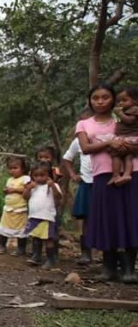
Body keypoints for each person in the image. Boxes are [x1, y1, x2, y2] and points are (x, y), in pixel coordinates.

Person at [76, 83, 138, 283]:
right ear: (90, 101)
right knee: (106, 220)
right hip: (103, 175)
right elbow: (85, 148)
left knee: (130, 219)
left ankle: (129, 268)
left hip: (131, 173)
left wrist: (126, 145)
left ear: (114, 100)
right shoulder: (84, 124)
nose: (100, 101)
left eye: (105, 97)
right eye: (96, 98)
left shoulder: (122, 119)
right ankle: (108, 266)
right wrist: (110, 143)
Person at [22, 161, 63, 269]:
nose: (39, 178)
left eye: (42, 175)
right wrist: (29, 188)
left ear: (48, 175)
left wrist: (52, 186)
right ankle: (37, 256)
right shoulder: (32, 186)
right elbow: (25, 197)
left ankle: (51, 259)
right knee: (36, 237)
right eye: (36, 176)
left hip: (46, 217)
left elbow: (58, 198)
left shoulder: (54, 185)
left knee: (48, 239)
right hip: (34, 216)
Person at [62, 130, 93, 265]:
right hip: (86, 182)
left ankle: (111, 256)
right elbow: (67, 158)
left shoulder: (107, 137)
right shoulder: (78, 141)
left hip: (104, 183)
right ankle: (86, 254)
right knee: (85, 219)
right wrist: (73, 175)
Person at [0, 156, 30, 257]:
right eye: (10, 168)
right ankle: (2, 245)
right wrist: (6, 191)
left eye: (15, 168)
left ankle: (21, 248)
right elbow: (9, 190)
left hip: (20, 209)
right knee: (3, 228)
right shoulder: (9, 179)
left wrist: (14, 190)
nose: (12, 171)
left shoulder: (25, 178)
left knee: (21, 230)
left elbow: (27, 190)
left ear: (22, 169)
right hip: (8, 208)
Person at [110, 87, 138, 186]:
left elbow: (130, 121)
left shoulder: (135, 109)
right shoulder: (126, 110)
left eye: (124, 100)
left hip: (131, 138)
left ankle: (117, 174)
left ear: (134, 100)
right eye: (119, 101)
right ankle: (123, 175)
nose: (121, 103)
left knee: (115, 153)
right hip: (125, 138)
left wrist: (120, 113)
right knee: (127, 157)